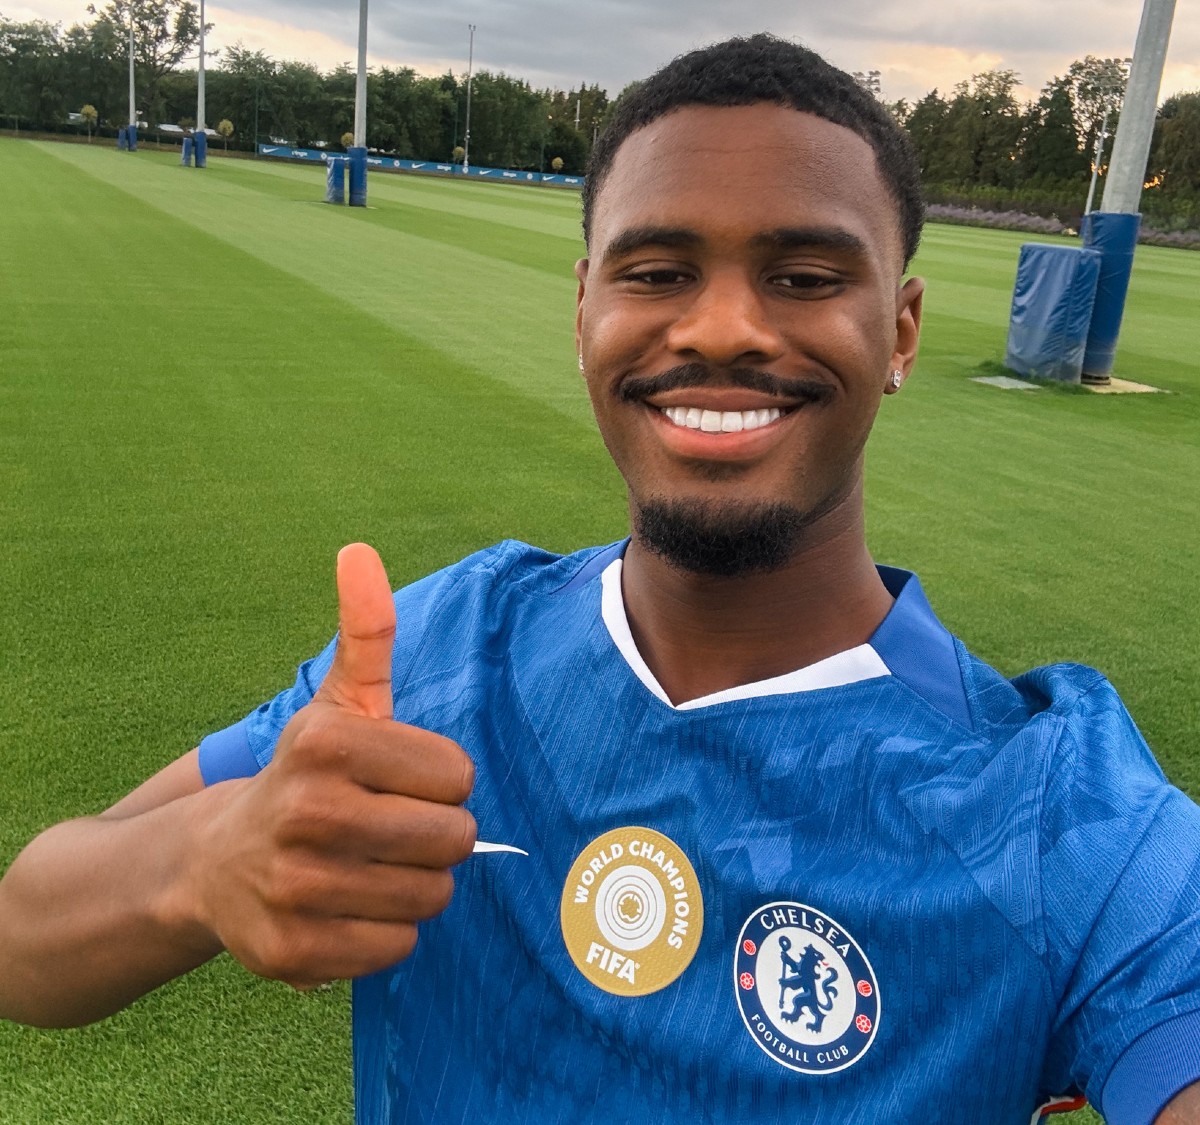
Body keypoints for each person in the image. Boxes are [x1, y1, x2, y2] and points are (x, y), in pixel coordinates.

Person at [1, 33, 1199, 1125]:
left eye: (805, 276)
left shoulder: (1058, 815)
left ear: (901, 330)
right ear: (585, 310)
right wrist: (201, 862)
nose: (723, 326)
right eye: (658, 270)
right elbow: (24, 937)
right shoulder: (441, 650)